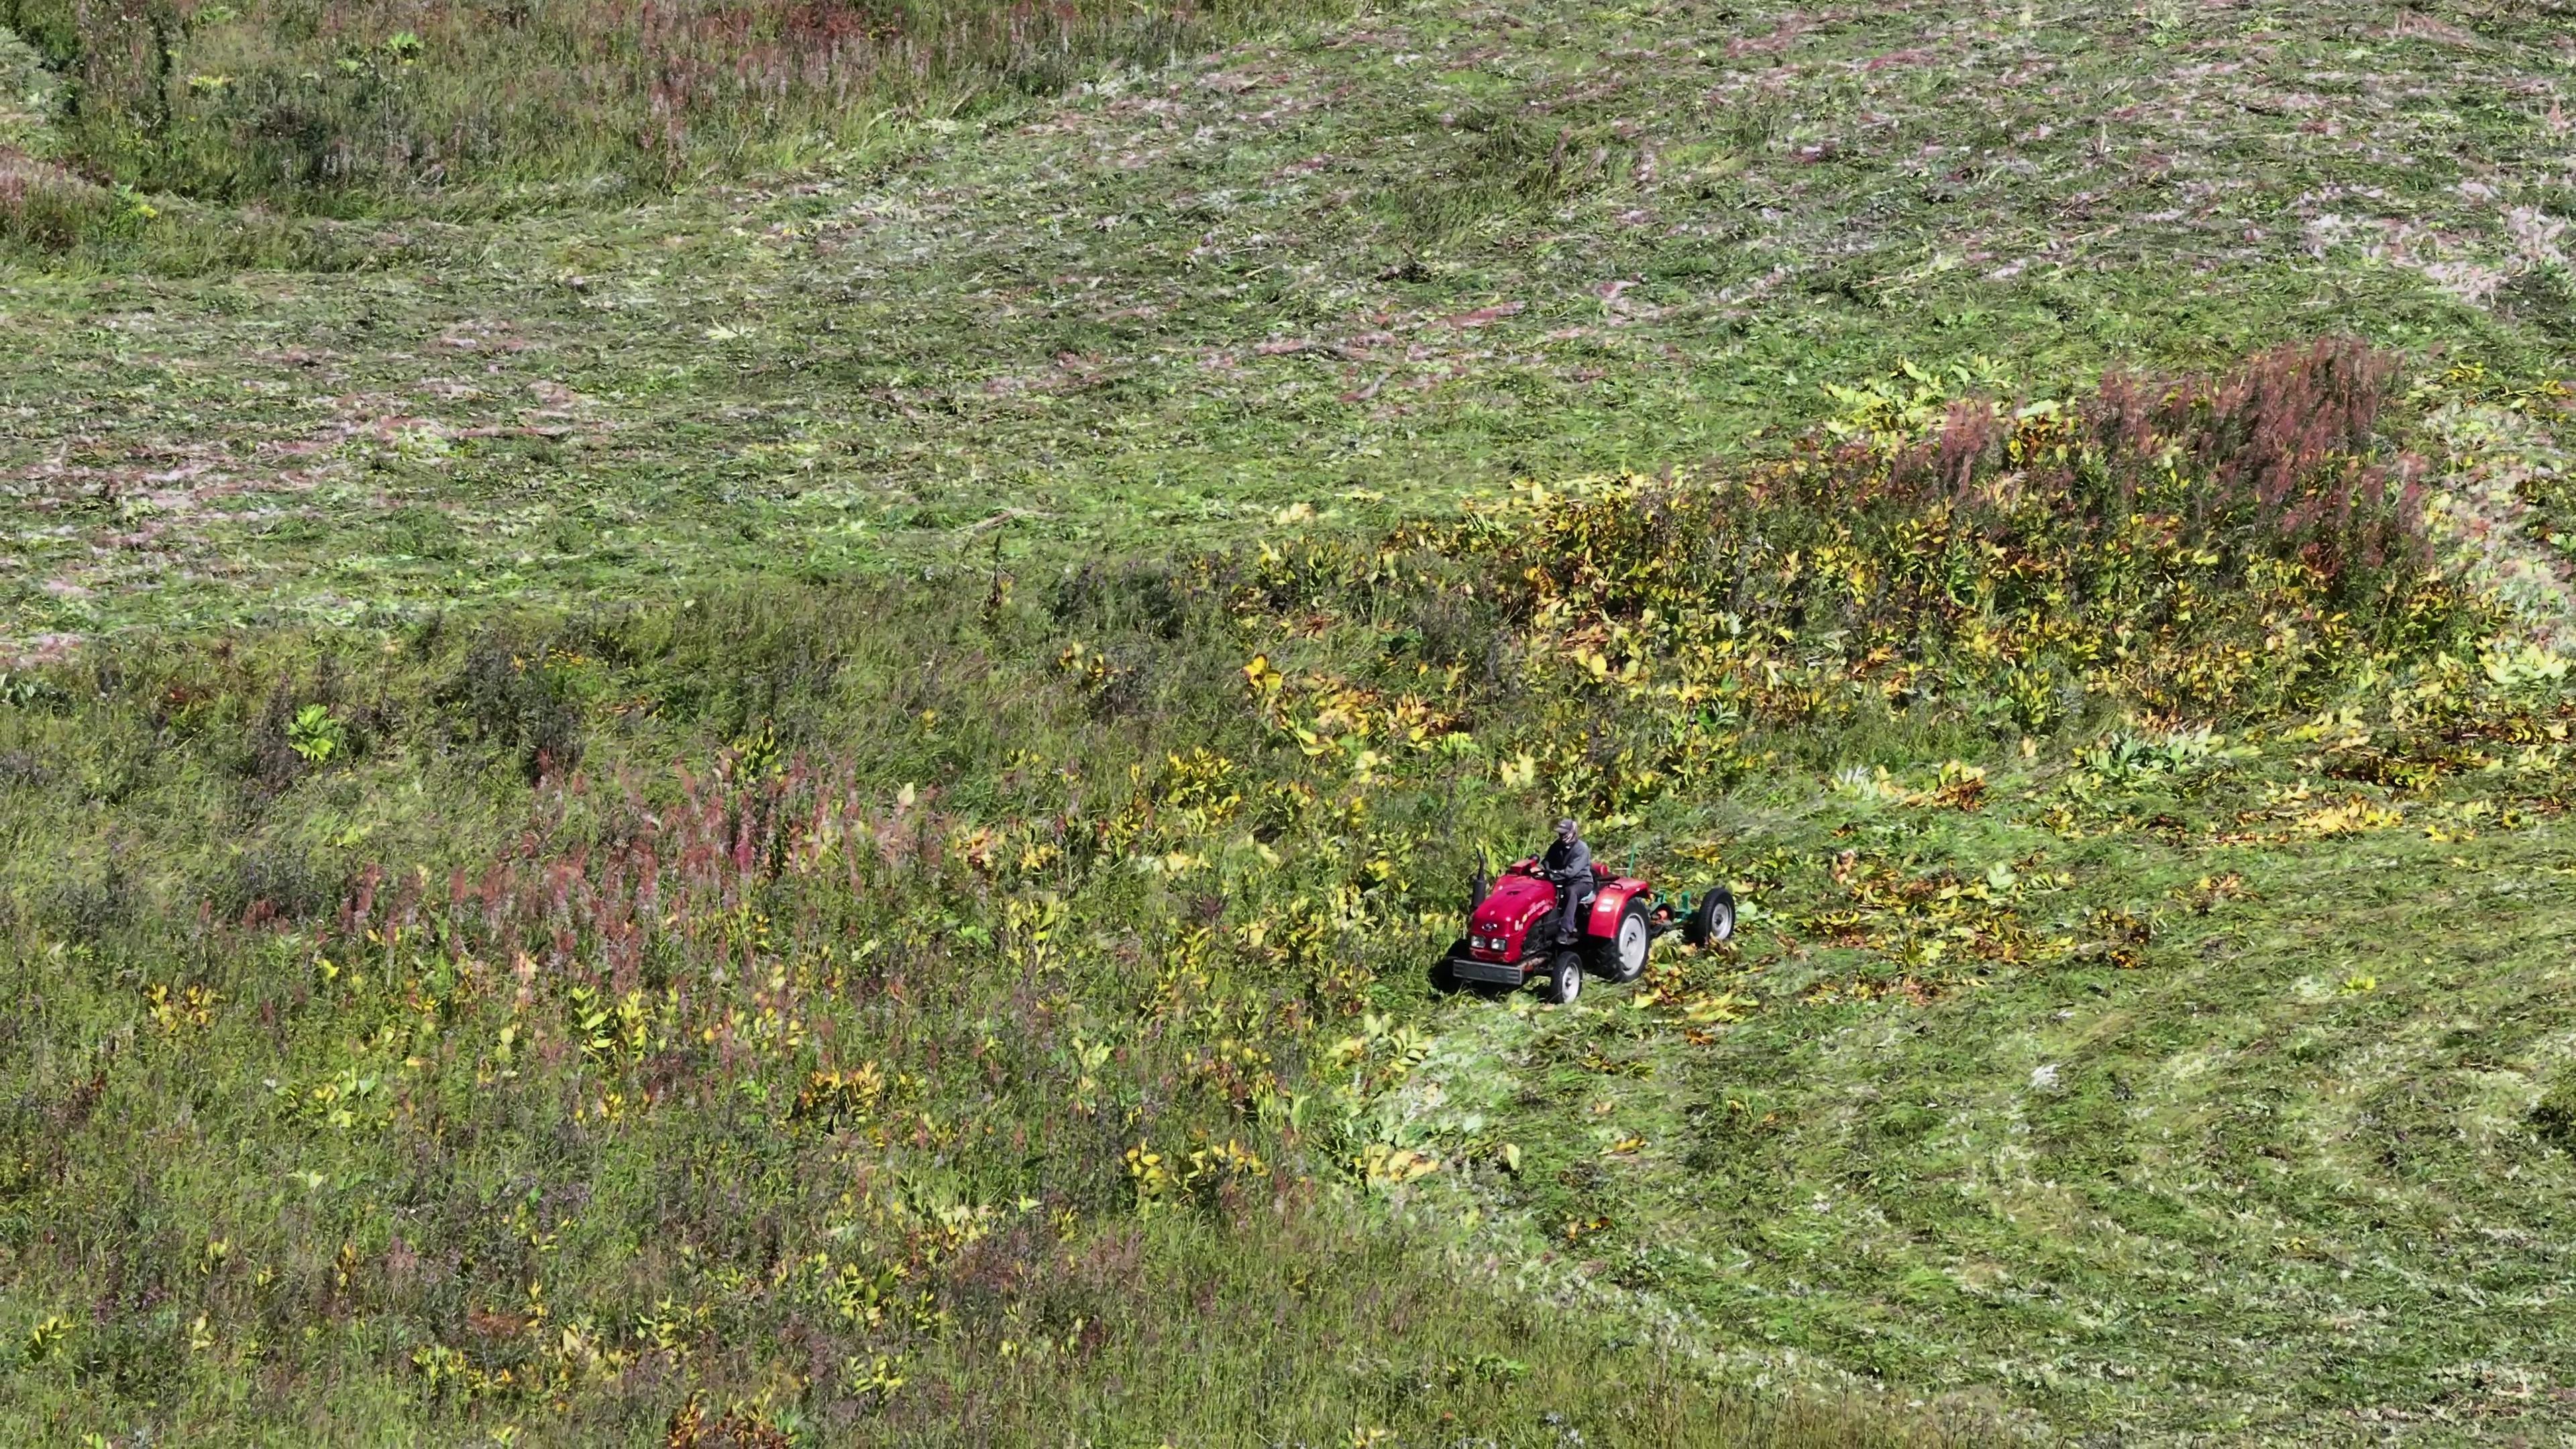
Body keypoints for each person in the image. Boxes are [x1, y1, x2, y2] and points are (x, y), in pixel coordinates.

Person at [1541, 817, 1596, 945]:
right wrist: (1542, 870)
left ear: (1573, 832)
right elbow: (1547, 862)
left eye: (1565, 833)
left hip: (1581, 881)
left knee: (1571, 892)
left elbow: (1571, 872)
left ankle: (1565, 930)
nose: (1562, 835)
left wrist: (1552, 874)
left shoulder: (1582, 849)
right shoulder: (1556, 846)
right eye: (1560, 833)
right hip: (1560, 879)